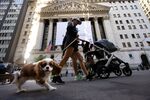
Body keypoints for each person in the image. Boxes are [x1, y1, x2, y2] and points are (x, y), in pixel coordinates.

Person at [52, 18, 92, 84]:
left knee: (80, 59)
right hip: (70, 44)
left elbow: (75, 36)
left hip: (74, 46)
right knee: (65, 59)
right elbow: (69, 29)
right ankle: (56, 76)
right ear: (73, 20)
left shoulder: (75, 28)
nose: (77, 23)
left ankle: (85, 75)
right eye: (77, 21)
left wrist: (79, 39)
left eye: (78, 22)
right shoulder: (70, 25)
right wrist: (71, 23)